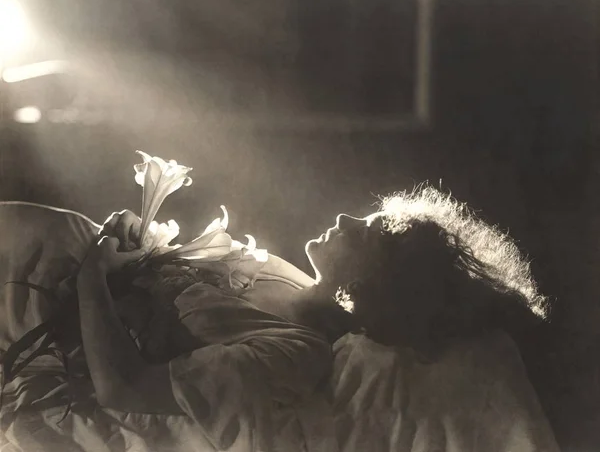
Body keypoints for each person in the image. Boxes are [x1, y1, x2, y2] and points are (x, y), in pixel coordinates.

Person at [82, 185, 558, 452]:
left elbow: (122, 388)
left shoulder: (295, 353)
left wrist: (93, 277)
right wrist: (131, 238)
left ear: (382, 282)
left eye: (368, 234)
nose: (348, 219)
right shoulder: (275, 272)